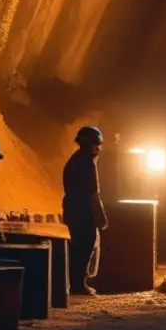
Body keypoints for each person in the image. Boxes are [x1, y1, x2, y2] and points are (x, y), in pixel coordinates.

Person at [63, 126, 108, 295]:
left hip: (72, 207)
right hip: (82, 209)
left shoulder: (75, 159)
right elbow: (93, 193)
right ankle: (78, 284)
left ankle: (75, 282)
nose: (99, 149)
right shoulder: (87, 162)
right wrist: (101, 216)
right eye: (97, 145)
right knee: (85, 245)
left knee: (77, 246)